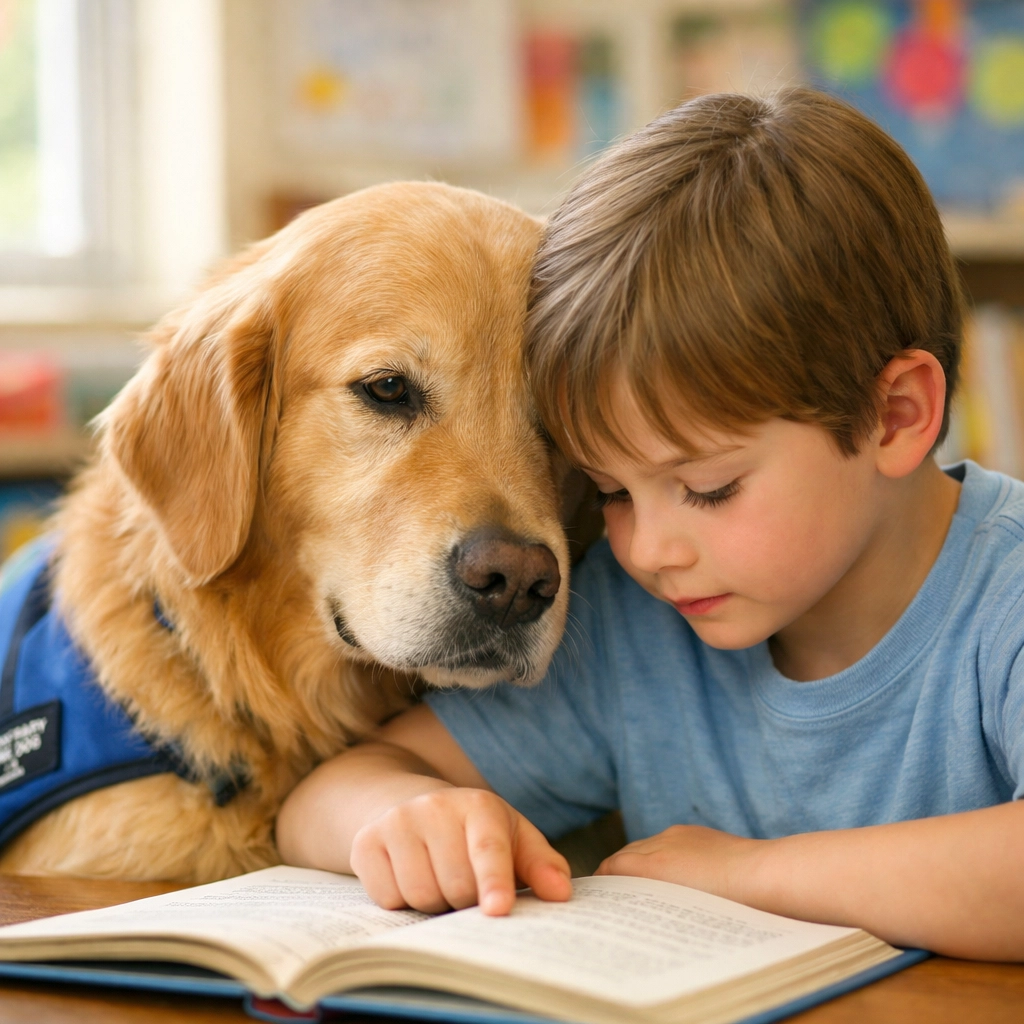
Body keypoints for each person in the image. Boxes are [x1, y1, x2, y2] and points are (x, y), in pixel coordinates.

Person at [276, 88, 1024, 960]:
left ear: (896, 416)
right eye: (613, 493)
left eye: (707, 487)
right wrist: (409, 816)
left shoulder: (1004, 598)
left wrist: (747, 877)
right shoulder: (643, 630)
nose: (650, 551)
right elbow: (321, 802)